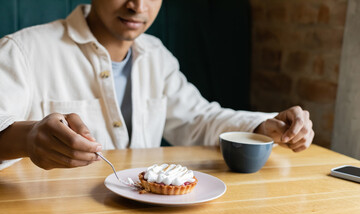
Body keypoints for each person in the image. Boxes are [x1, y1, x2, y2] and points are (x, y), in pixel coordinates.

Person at [0, 0, 314, 170]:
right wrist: (28, 138)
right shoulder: (23, 51)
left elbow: (198, 120)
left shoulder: (156, 55)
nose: (138, 5)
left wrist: (263, 126)